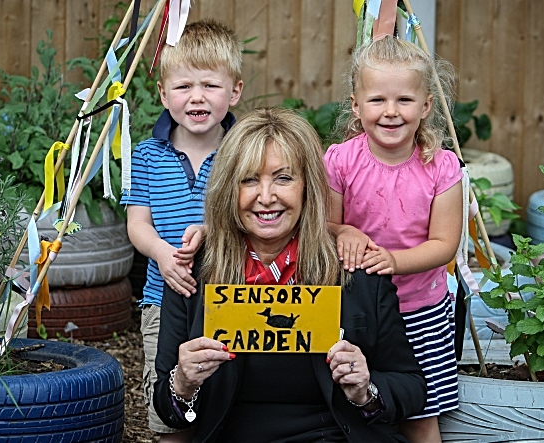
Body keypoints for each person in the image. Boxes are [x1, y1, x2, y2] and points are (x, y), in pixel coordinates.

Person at [153, 107, 427, 443]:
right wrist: (182, 383)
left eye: (283, 178)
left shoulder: (354, 269)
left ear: (307, 187)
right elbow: (168, 408)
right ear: (229, 189)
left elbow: (411, 387)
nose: (266, 197)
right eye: (249, 179)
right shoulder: (194, 273)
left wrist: (365, 388)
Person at [323, 35, 463, 443]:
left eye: (404, 100)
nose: (390, 112)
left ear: (426, 107)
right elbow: (323, 226)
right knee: (353, 404)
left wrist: (395, 261)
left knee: (419, 415)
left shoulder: (441, 166)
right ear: (355, 105)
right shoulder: (340, 160)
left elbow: (444, 243)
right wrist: (345, 230)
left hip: (420, 309)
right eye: (377, 100)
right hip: (357, 308)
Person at [120, 20, 243, 440]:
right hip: (162, 296)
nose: (197, 97)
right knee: (169, 399)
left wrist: (214, 229)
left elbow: (252, 215)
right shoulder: (147, 154)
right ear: (163, 94)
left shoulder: (242, 150)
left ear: (235, 91)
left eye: (210, 85)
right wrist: (161, 253)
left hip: (230, 294)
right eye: (183, 86)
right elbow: (137, 223)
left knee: (226, 395)